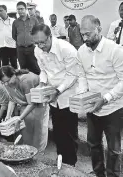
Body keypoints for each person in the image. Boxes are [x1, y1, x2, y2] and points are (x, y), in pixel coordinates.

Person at [77, 15, 123, 177]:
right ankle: (99, 173)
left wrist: (105, 98)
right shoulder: (81, 51)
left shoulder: (116, 50)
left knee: (113, 149)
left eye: (88, 34)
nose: (84, 38)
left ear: (99, 29)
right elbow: (82, 76)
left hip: (115, 107)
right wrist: (84, 95)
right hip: (93, 106)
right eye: (82, 34)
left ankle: (113, 175)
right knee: (93, 144)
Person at [32, 24, 85, 166]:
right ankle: (61, 160)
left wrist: (58, 90)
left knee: (70, 132)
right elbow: (43, 70)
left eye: (42, 42)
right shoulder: (37, 50)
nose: (40, 46)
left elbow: (72, 74)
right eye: (36, 43)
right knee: (58, 131)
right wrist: (42, 84)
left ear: (50, 36)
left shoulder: (66, 49)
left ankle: (71, 164)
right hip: (52, 95)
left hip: (68, 94)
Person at [0, 66, 49, 152]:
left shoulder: (26, 80)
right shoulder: (7, 83)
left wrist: (20, 118)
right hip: (25, 104)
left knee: (37, 131)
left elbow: (32, 103)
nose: (6, 84)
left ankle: (38, 152)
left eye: (7, 81)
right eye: (3, 82)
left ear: (14, 75)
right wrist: (8, 116)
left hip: (38, 104)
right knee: (24, 130)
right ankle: (27, 150)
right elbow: (12, 99)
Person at [12, 1, 40, 75]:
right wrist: (21, 42)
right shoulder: (15, 22)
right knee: (23, 69)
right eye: (18, 9)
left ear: (26, 9)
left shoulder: (34, 20)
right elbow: (14, 36)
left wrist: (31, 41)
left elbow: (38, 33)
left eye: (22, 9)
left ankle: (36, 84)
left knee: (35, 68)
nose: (20, 11)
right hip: (20, 50)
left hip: (32, 48)